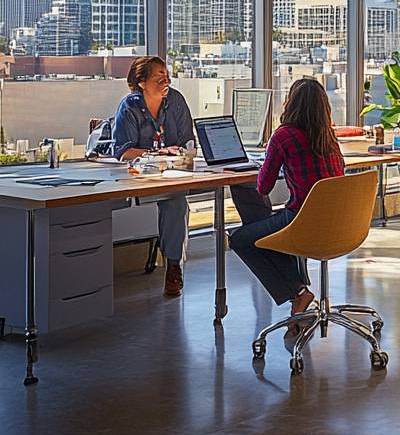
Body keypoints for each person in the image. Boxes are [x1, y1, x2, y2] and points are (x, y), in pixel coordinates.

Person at [112, 55, 273, 298]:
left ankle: (265, 245)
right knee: (175, 201)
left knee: (247, 184)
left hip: (180, 170)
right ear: (141, 82)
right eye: (159, 77)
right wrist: (158, 152)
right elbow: (123, 152)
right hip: (145, 175)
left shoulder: (175, 100)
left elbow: (188, 142)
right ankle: (174, 267)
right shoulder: (130, 107)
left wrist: (181, 153)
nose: (166, 80)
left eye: (167, 75)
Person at [229, 78, 345, 319]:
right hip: (340, 225)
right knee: (267, 229)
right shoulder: (329, 137)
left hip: (302, 223)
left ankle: (298, 291)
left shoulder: (284, 136)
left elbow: (263, 186)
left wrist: (265, 163)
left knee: (241, 238)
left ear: (290, 104)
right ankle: (299, 290)